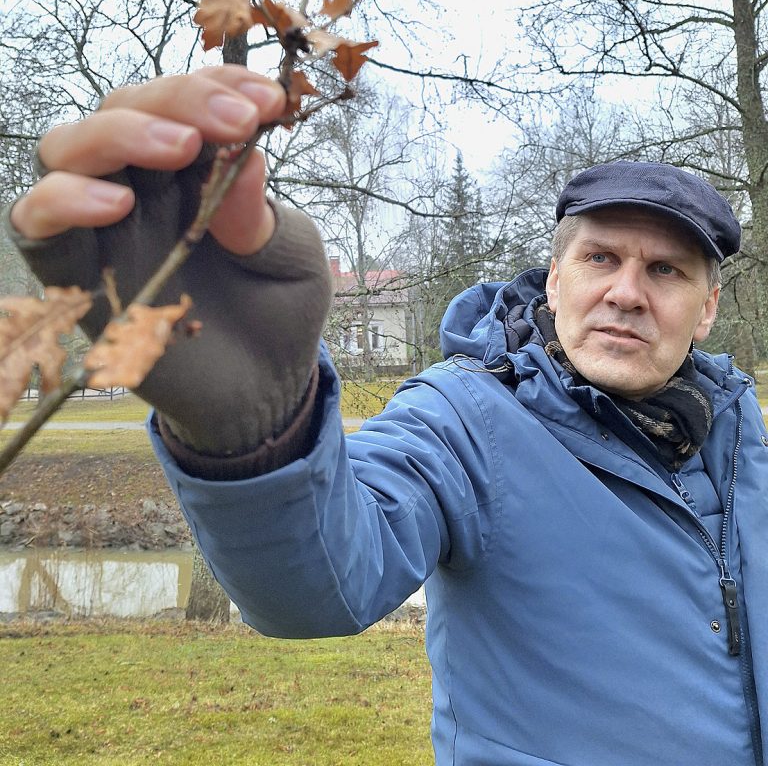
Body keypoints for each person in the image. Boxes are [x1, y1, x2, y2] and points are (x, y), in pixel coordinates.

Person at [5, 66, 768, 766]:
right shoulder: (466, 420)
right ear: (555, 280)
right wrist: (258, 430)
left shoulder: (742, 432)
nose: (627, 293)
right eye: (601, 258)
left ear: (706, 309)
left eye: (664, 270)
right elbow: (321, 582)